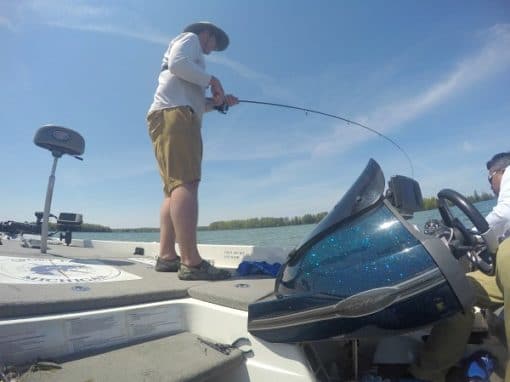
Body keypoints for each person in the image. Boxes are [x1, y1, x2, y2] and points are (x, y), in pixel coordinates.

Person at [147, 22, 238, 280]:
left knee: (174, 188)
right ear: (206, 34)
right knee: (187, 182)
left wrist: (218, 104)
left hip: (170, 115)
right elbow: (177, 64)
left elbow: (196, 102)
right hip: (176, 115)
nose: (213, 49)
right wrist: (213, 80)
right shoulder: (190, 39)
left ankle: (167, 257)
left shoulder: (193, 66)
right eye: (214, 43)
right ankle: (192, 263)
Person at [409, 151, 510, 382]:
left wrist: (470, 234)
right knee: (459, 291)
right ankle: (428, 374)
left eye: (489, 178)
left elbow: (504, 215)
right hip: (501, 268)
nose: (491, 186)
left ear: (500, 172)